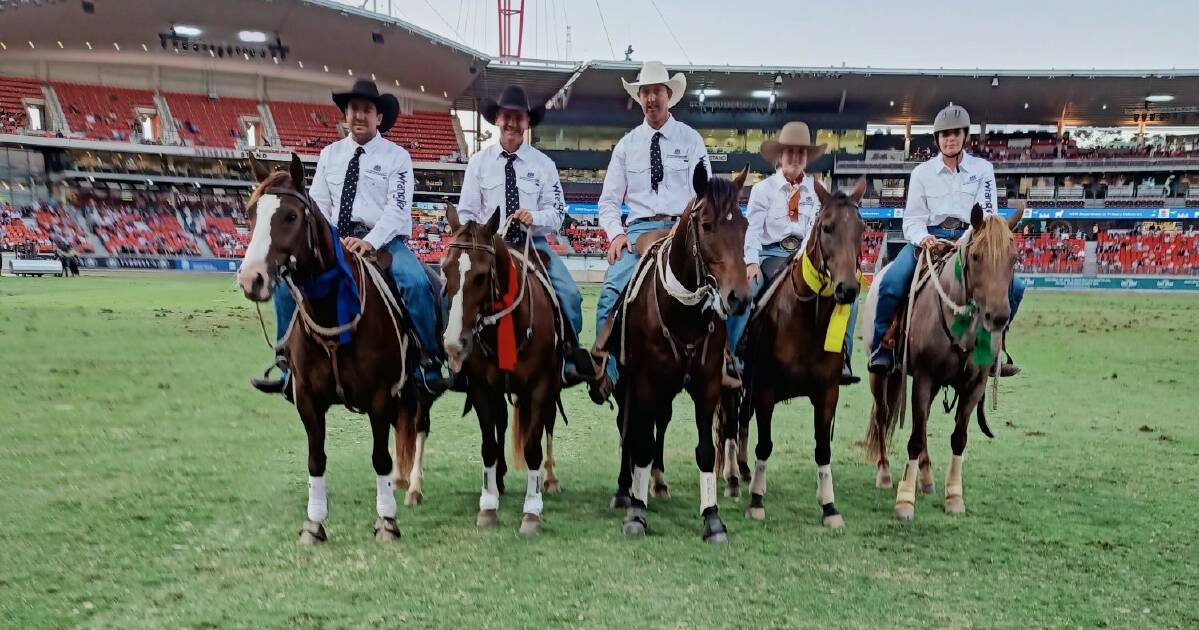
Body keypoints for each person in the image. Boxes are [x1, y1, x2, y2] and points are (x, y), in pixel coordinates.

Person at [252, 79, 447, 397]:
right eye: (353, 109)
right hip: (334, 240)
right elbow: (317, 204)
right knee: (288, 283)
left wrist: (369, 241)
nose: (359, 115)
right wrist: (329, 238)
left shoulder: (397, 157)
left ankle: (428, 362)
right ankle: (286, 362)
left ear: (378, 117)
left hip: (384, 242)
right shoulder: (330, 155)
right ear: (345, 114)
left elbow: (397, 210)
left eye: (366, 110)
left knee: (414, 282)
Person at [867, 104, 1024, 376]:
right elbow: (912, 219)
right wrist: (925, 238)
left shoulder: (983, 169)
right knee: (892, 282)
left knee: (1017, 286)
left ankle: (995, 348)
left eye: (955, 133)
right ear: (937, 139)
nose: (950, 138)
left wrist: (963, 241)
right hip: (929, 239)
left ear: (965, 136)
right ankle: (885, 346)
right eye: (944, 134)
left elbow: (987, 214)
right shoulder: (921, 173)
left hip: (972, 240)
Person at [454, 85, 595, 385]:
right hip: (488, 249)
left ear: (528, 122)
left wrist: (535, 217)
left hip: (533, 246)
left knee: (569, 293)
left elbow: (557, 213)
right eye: (506, 116)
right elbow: (466, 212)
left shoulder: (544, 165)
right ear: (497, 120)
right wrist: (477, 238)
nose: (512, 123)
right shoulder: (478, 163)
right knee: (454, 290)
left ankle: (569, 352)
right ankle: (454, 355)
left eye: (519, 117)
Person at [593, 61, 711, 385]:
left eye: (657, 91)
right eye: (645, 92)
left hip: (684, 232)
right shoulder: (626, 146)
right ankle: (607, 371)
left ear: (668, 95)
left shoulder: (691, 141)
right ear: (639, 97)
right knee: (610, 293)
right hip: (638, 233)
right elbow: (608, 201)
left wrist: (684, 226)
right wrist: (616, 235)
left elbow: (704, 194)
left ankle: (724, 365)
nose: (651, 99)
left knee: (718, 289)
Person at [725, 121, 860, 385]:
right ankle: (732, 352)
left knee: (849, 298)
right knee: (747, 291)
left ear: (807, 158)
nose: (796, 158)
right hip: (768, 254)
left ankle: (842, 355)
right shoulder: (763, 190)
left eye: (801, 153)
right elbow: (752, 229)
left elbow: (817, 226)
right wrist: (751, 262)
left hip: (807, 257)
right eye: (790, 152)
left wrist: (805, 255)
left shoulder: (818, 191)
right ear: (779, 156)